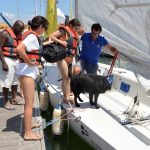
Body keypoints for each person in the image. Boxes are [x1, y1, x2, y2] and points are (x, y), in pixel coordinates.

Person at [16, 16, 49, 140]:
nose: (45, 30)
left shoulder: (32, 36)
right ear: (40, 26)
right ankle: (28, 133)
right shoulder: (32, 36)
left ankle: (29, 125)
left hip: (24, 71)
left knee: (28, 102)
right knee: (29, 103)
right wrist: (29, 62)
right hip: (27, 72)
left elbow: (32, 48)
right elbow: (20, 48)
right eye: (45, 27)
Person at [49, 18, 81, 103]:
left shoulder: (75, 33)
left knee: (69, 78)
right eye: (75, 28)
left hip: (70, 58)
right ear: (70, 26)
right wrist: (60, 41)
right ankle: (66, 98)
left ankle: (66, 96)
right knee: (65, 78)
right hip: (62, 58)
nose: (77, 30)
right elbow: (51, 36)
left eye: (78, 29)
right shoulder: (63, 31)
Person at [0, 20, 24, 110]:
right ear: (15, 26)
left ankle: (14, 98)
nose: (21, 31)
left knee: (15, 81)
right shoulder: (4, 33)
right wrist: (3, 62)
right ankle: (6, 101)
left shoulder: (19, 35)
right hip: (7, 59)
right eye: (20, 29)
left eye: (22, 30)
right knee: (6, 81)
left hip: (16, 60)